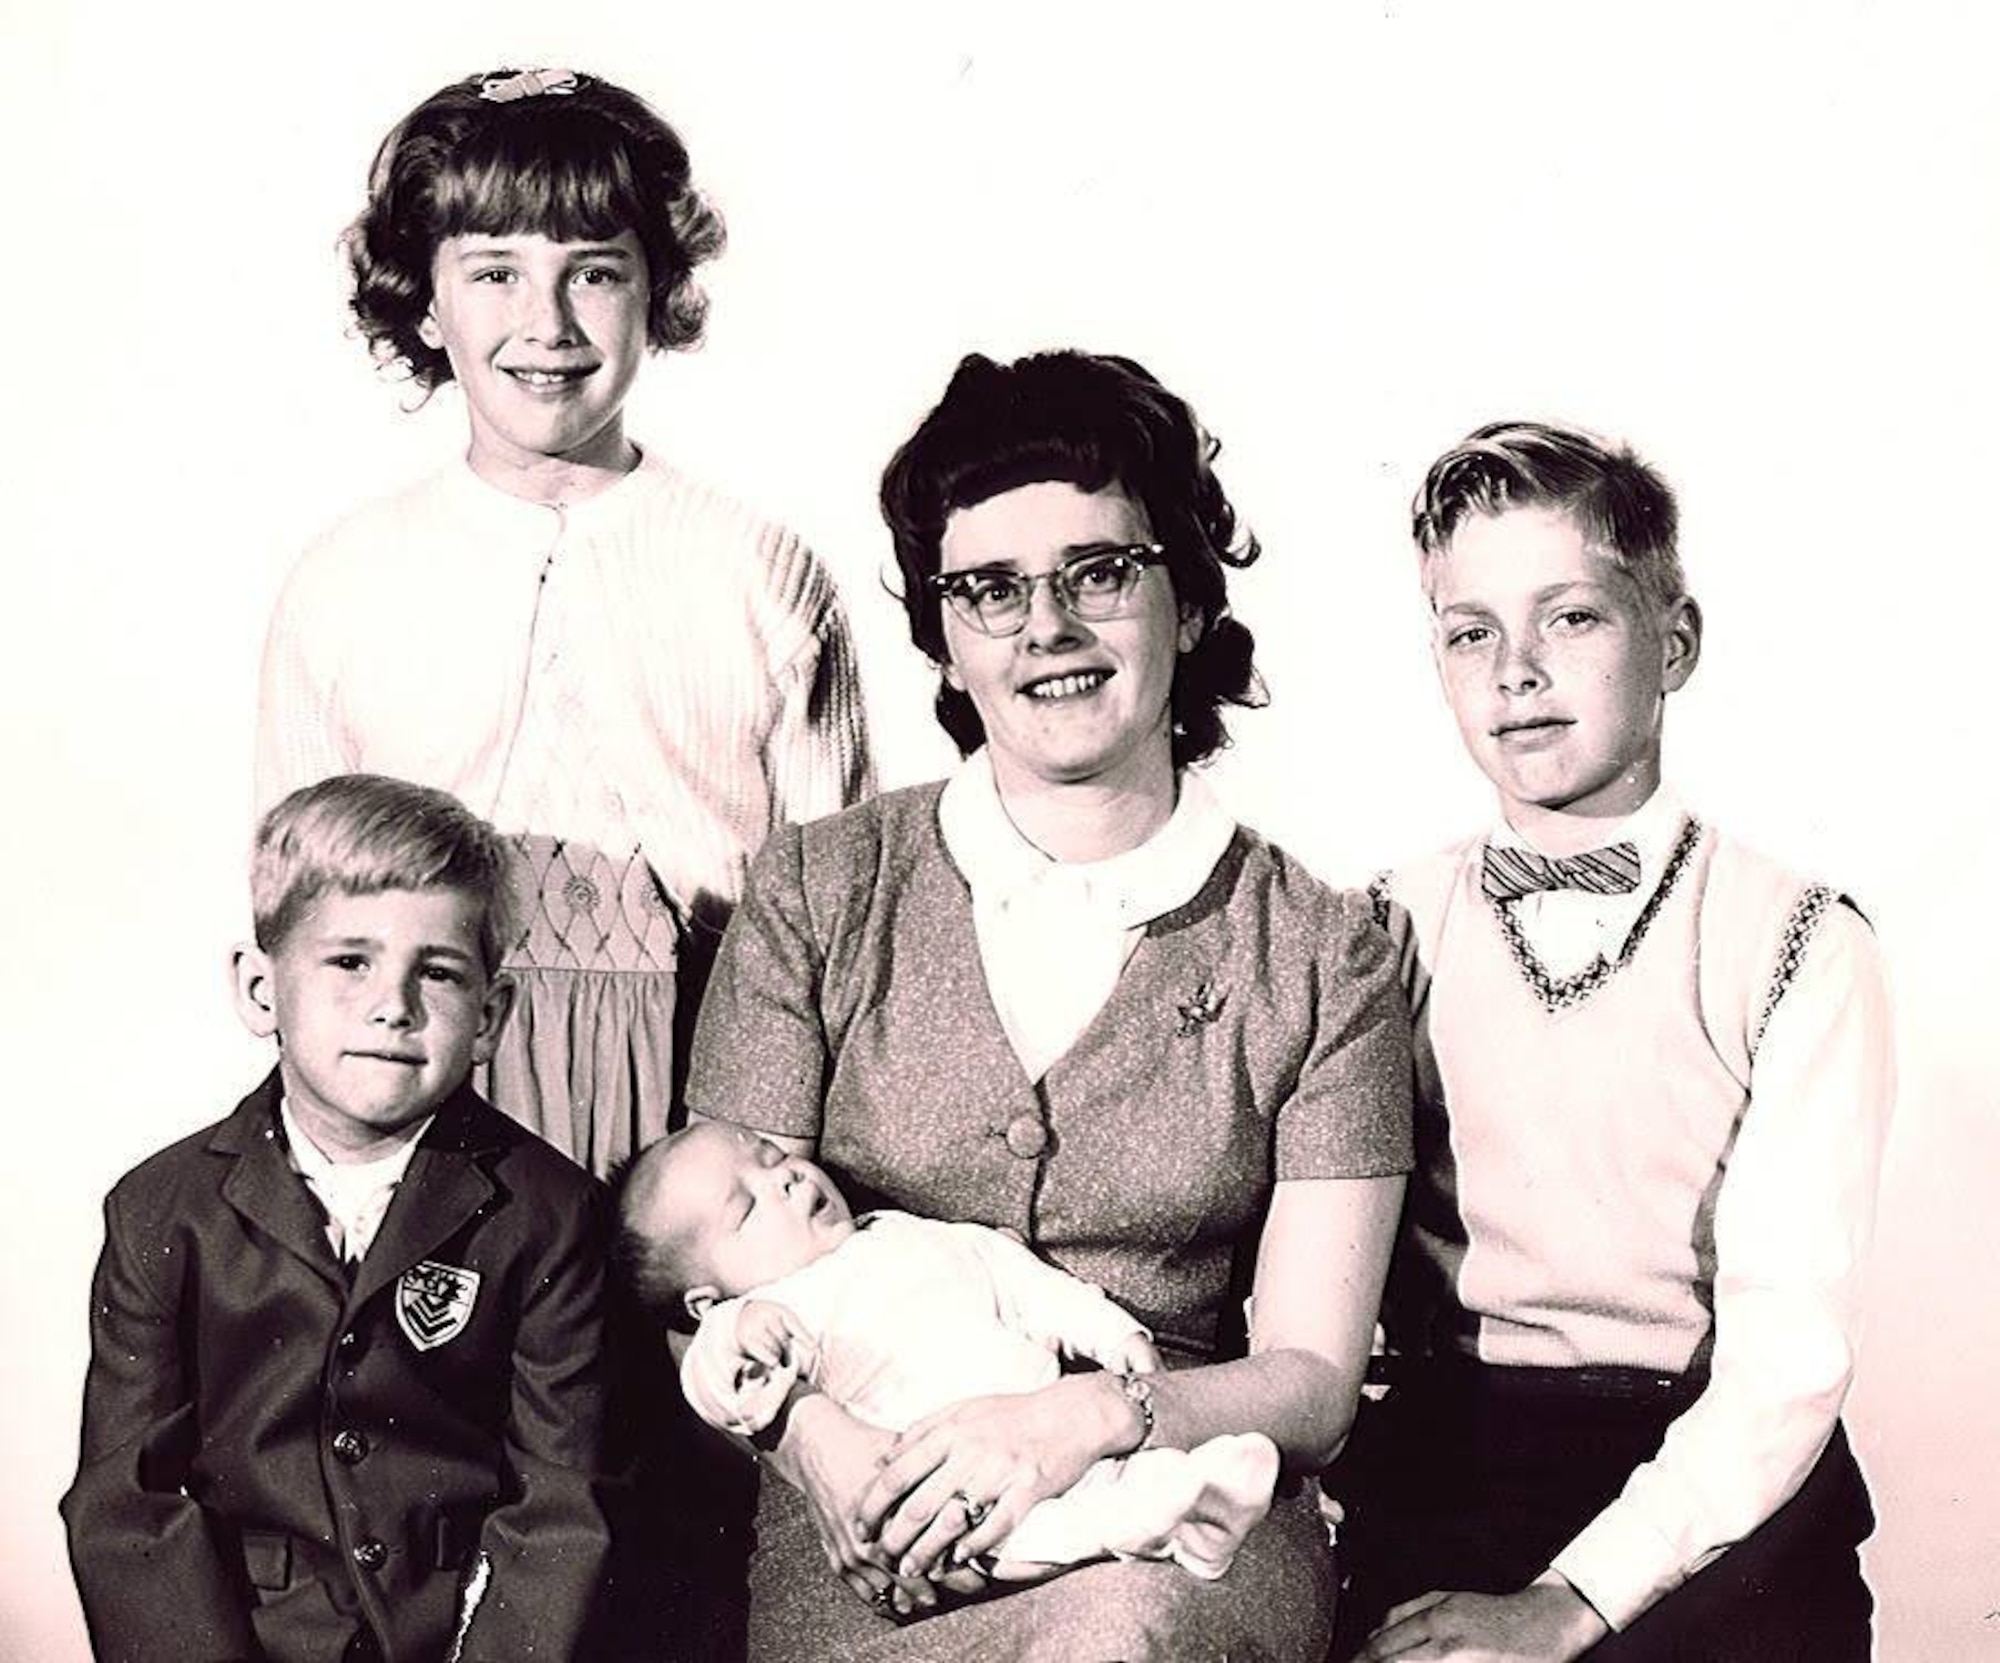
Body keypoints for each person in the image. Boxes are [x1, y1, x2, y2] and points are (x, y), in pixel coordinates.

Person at [684, 349, 1413, 1661]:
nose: (1046, 627)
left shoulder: (1324, 949)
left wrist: (1085, 1419)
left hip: (1173, 1521)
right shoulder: (814, 888)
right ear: (945, 642)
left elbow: (1310, 1379)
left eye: (1098, 572)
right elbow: (703, 1254)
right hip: (870, 1515)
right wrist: (820, 1447)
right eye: (992, 590)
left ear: (1187, 604)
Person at [1334, 422, 1894, 1662]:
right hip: (1454, 1460)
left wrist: (1569, 1604)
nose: (1514, 670)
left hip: (1720, 1485)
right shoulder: (1378, 927)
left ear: (1673, 641)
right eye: (1468, 631)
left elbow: (1785, 1362)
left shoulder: (1796, 940)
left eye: (1570, 617)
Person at [256, 67, 872, 1177]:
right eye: (494, 273)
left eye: (594, 273)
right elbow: (298, 912)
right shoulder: (343, 581)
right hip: (423, 1103)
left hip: (710, 1110)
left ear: (657, 292)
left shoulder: (760, 570)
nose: (545, 324)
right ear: (426, 298)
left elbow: (842, 906)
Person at [60, 774, 612, 1663]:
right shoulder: (160, 1209)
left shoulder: (550, 1210)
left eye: (436, 971)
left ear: (491, 1016)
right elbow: (130, 1507)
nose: (393, 1003)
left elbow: (563, 1502)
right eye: (350, 960)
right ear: (260, 987)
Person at [617, 1120, 1286, 1586]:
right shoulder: (770, 1311)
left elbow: (1029, 1286)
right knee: (1028, 1533)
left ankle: (1183, 1501)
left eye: (769, 1156)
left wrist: (1118, 1335)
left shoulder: (906, 1233)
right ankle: (1179, 1521)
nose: (785, 1180)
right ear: (704, 1298)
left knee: (1093, 1480)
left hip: (1044, 1426)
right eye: (746, 1208)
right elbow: (708, 1379)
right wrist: (740, 1334)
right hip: (938, 1484)